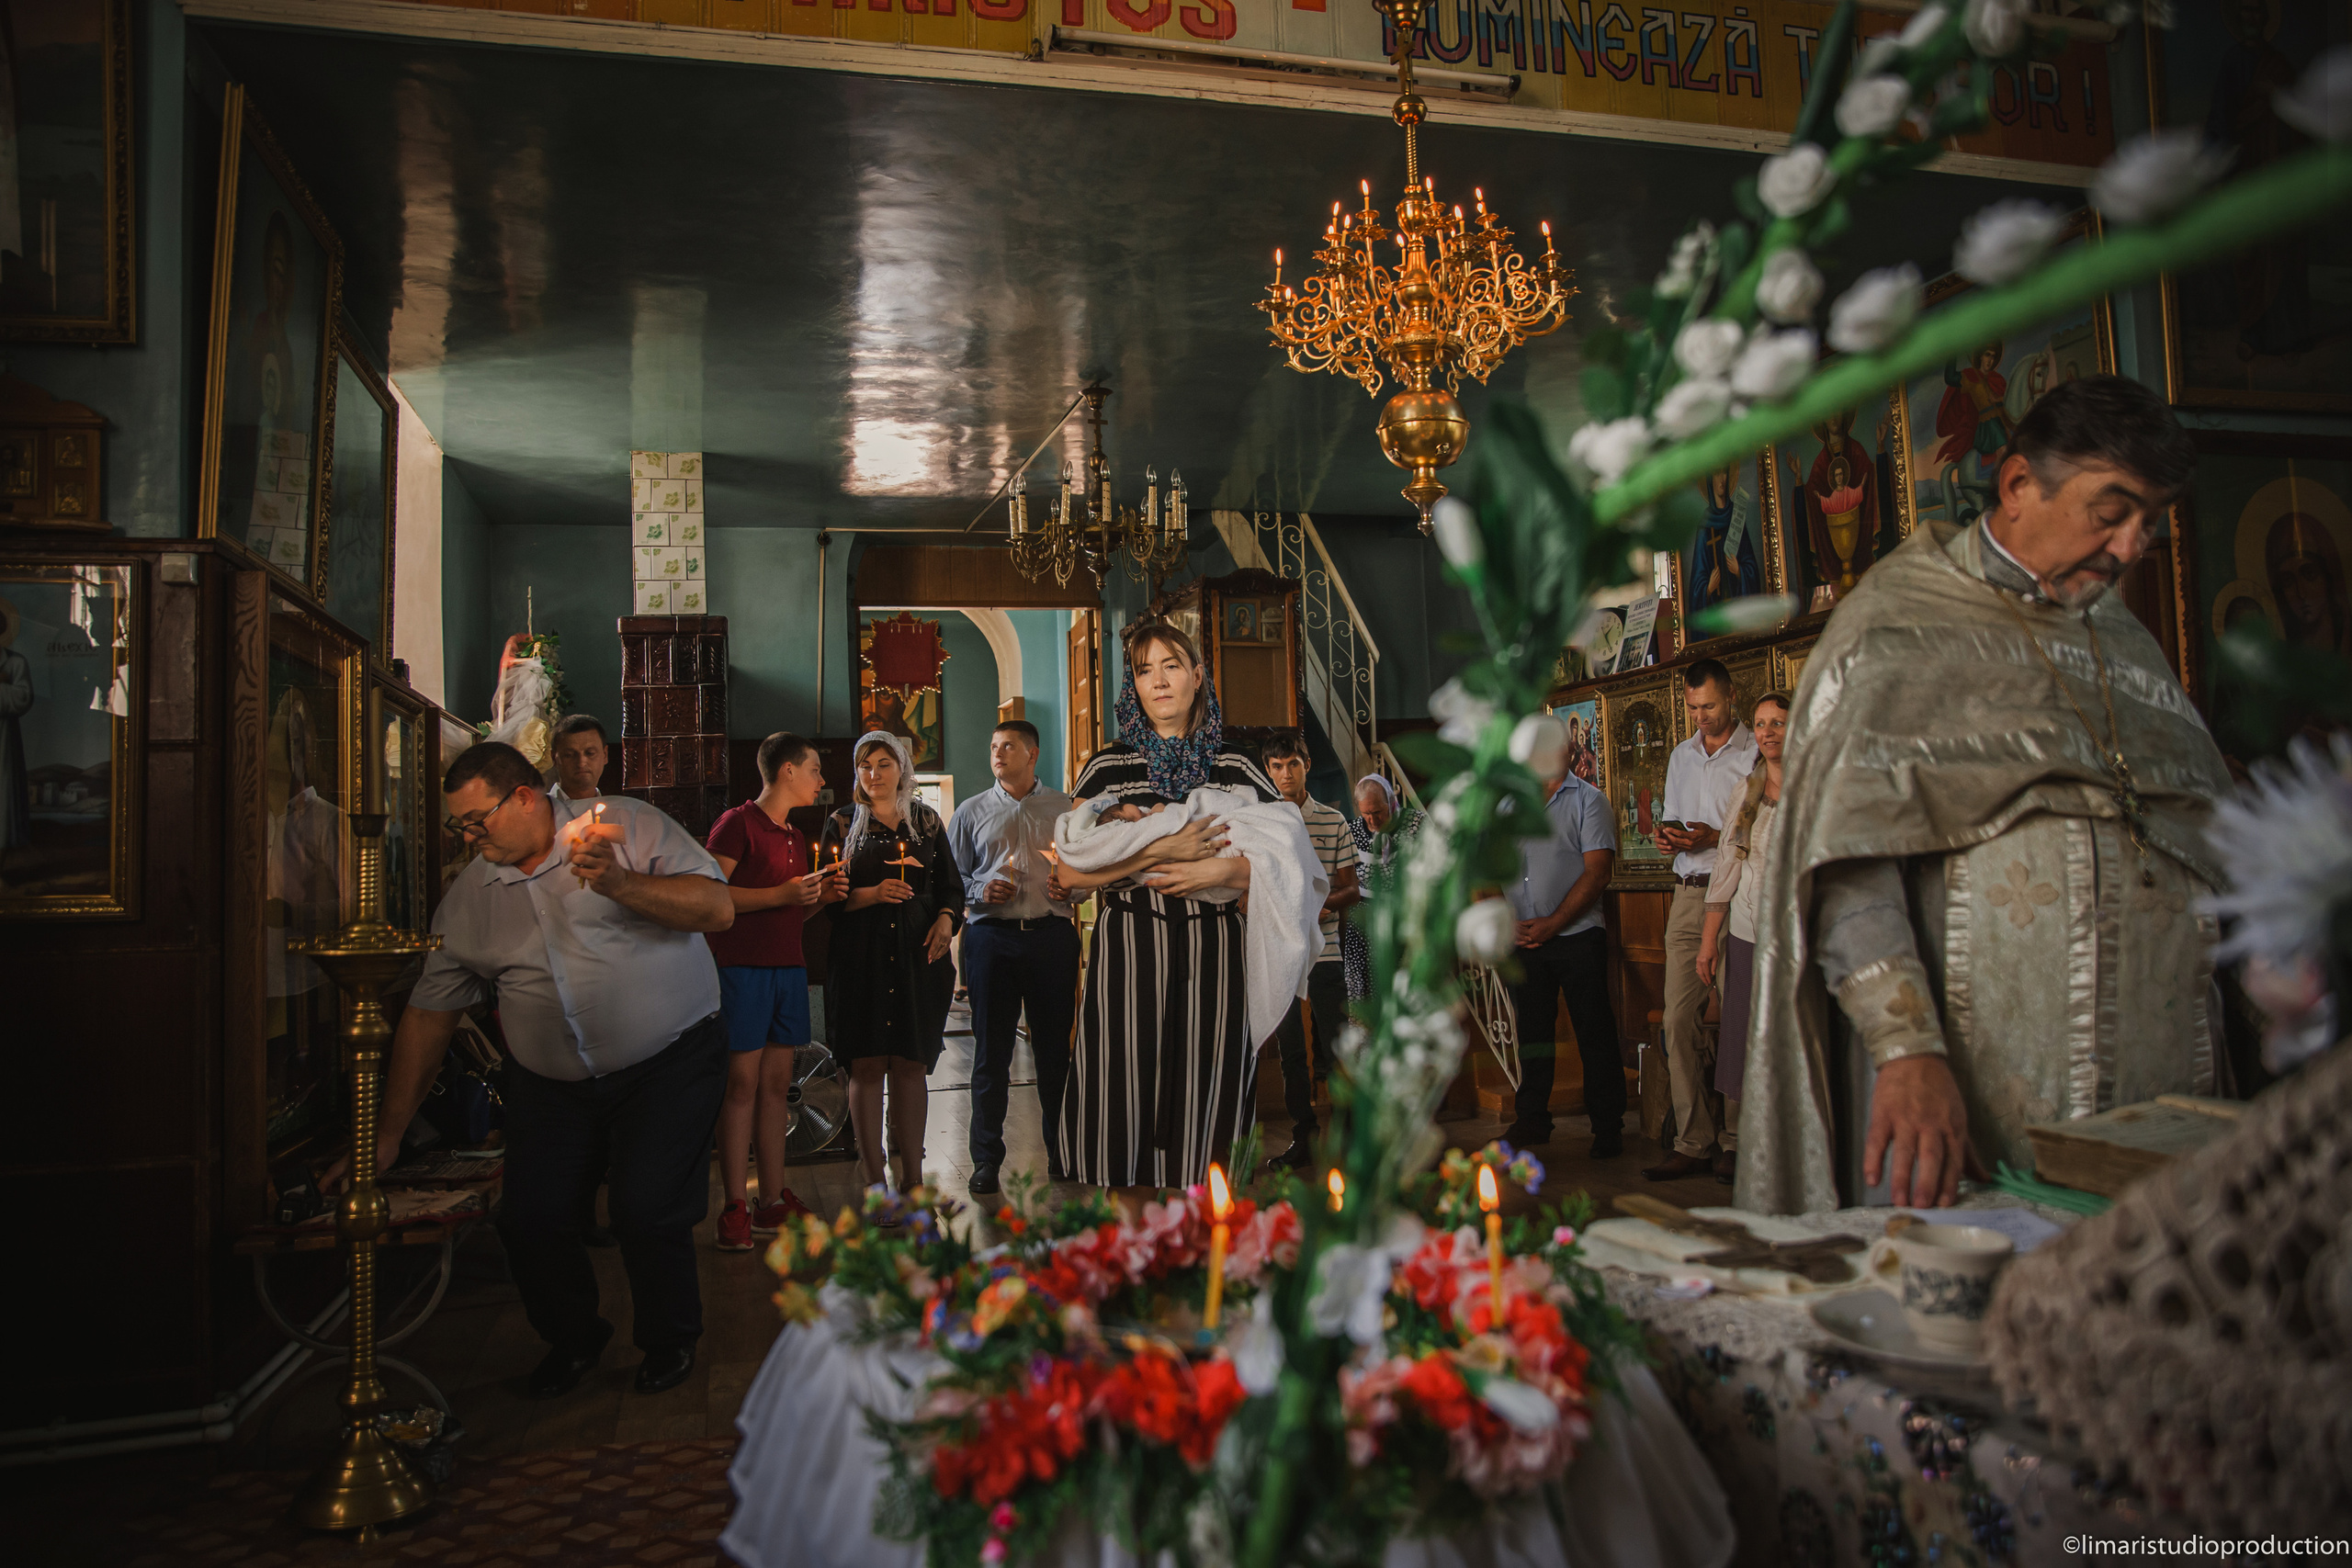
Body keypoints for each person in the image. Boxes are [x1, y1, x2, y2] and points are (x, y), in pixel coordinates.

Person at [1742, 376, 2233, 1214]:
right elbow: (1846, 864)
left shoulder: (2124, 638)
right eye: (2110, 511)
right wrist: (1906, 1050)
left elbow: (2212, 831)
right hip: (1980, 1082)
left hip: (2171, 1096)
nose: (2129, 547)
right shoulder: (1894, 624)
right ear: (2015, 485)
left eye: (2149, 522)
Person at [345, 741, 735, 1399]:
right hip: (549, 1085)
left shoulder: (627, 825)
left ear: (524, 797)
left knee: (645, 1208)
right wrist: (387, 1133)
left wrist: (621, 883)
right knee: (529, 1217)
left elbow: (716, 909)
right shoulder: (470, 897)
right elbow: (428, 1016)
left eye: (478, 820)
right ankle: (575, 1335)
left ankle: (670, 1337)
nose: (468, 836)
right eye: (459, 825)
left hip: (669, 1060)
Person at [1052, 621, 1275, 1202]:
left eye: (1172, 665)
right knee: (1124, 1095)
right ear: (1133, 685)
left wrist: (1219, 872)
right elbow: (1072, 873)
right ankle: (1135, 1259)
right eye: (1145, 670)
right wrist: (1164, 849)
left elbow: (1285, 868)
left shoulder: (1236, 766)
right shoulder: (1107, 768)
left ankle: (1203, 1262)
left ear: (1198, 676)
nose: (1159, 681)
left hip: (1215, 952)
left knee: (1211, 1097)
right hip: (1130, 949)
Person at [707, 733, 846, 1250]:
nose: (821, 780)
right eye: (813, 769)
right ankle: (733, 1205)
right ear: (787, 770)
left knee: (777, 1090)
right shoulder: (737, 823)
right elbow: (711, 897)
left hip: (788, 969)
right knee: (740, 1086)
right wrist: (782, 893)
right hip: (742, 970)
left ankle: (770, 1199)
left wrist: (816, 897)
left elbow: (784, 911)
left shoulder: (793, 834)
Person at [818, 731, 962, 1196]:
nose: (874, 774)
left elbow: (950, 887)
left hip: (917, 958)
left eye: (883, 764)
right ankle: (874, 1176)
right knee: (865, 1064)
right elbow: (828, 897)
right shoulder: (842, 823)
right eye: (865, 765)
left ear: (902, 767)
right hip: (862, 958)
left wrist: (944, 918)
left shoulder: (925, 821)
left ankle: (914, 1180)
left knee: (910, 1062)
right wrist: (872, 894)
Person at [946, 720, 1080, 1193]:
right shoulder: (970, 811)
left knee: (1054, 1054)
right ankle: (985, 1160)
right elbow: (950, 879)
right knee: (991, 1056)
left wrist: (1073, 885)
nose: (998, 754)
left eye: (1008, 746)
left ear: (1032, 754)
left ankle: (1064, 1153)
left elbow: (1089, 871)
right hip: (991, 941)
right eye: (993, 746)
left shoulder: (1065, 808)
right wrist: (982, 889)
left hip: (1052, 938)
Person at [1649, 658, 1758, 1183]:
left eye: (1709, 706)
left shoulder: (1755, 752)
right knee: (1677, 1018)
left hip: (1737, 892)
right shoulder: (1680, 755)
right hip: (1688, 894)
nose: (1701, 717)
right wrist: (1669, 836)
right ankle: (1693, 1139)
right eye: (1693, 708)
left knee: (1739, 1014)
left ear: (1731, 696)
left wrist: (1713, 837)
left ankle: (1737, 1141)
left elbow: (1758, 828)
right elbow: (1674, 817)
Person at [1499, 751, 1622, 1158]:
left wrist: (1554, 922)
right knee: (1532, 1036)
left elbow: (1598, 872)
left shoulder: (1589, 801)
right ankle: (1532, 1120)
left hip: (1577, 935)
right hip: (1523, 939)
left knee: (1594, 1033)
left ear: (1568, 752)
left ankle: (1607, 1125)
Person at [1695, 691, 1791, 1190]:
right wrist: (1709, 942)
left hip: (1797, 940)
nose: (1769, 732)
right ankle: (1743, 1143)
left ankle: (1793, 1140)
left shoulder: (1815, 790)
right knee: (1744, 1039)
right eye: (1761, 724)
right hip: (1748, 934)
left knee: (1789, 1039)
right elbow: (1725, 872)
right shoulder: (1746, 791)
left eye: (1779, 722)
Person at [1261, 730, 1359, 1168]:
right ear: (1268, 770)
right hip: (1281, 953)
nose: (1286, 774)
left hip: (1326, 950)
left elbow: (1351, 890)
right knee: (1292, 1053)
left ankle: (1350, 1137)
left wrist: (1318, 907)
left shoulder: (1333, 820)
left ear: (1307, 766)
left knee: (1337, 1045)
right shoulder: (1260, 821)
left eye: (1293, 765)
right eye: (1277, 767)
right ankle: (1303, 1136)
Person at [1342, 773, 1422, 1005]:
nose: (1372, 820)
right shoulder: (1352, 830)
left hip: (1402, 922)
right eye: (1366, 813)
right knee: (1363, 996)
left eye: (1377, 812)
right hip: (1363, 926)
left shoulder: (1415, 824)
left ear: (1391, 801)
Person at [549, 714, 611, 805]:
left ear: (605, 755)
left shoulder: (617, 812)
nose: (581, 762)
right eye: (569, 755)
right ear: (554, 758)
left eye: (590, 753)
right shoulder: (537, 811)